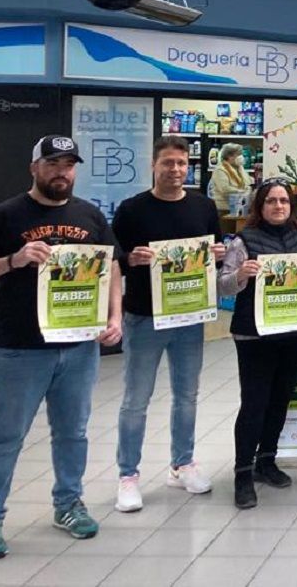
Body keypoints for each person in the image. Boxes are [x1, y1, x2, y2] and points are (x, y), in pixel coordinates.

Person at [0, 136, 123, 559]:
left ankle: (68, 504)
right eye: (52, 163)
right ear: (34, 168)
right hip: (19, 347)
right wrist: (13, 259)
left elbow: (113, 266)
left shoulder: (90, 215)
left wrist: (115, 316)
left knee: (73, 433)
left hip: (79, 346)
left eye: (68, 164)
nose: (61, 171)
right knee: (6, 435)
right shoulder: (5, 216)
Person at [112, 135, 226, 513]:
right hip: (144, 315)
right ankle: (128, 475)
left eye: (181, 163)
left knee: (187, 395)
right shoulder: (132, 209)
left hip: (190, 316)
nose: (176, 170)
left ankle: (182, 464)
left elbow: (217, 256)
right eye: (168, 163)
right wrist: (133, 259)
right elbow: (115, 260)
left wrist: (218, 255)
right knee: (136, 399)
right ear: (154, 165)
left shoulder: (203, 207)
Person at [219, 179, 297, 509]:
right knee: (254, 403)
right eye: (271, 201)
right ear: (260, 206)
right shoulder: (244, 240)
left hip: (292, 332)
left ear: (291, 206)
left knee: (280, 400)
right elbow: (222, 286)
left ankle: (267, 460)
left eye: (283, 201)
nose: (278, 206)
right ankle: (242, 473)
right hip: (254, 335)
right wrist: (240, 276)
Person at [208, 143, 252, 213]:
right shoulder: (220, 170)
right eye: (238, 155)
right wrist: (241, 192)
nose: (241, 157)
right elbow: (225, 189)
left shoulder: (239, 168)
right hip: (224, 209)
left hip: (239, 207)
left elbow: (248, 182)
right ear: (229, 156)